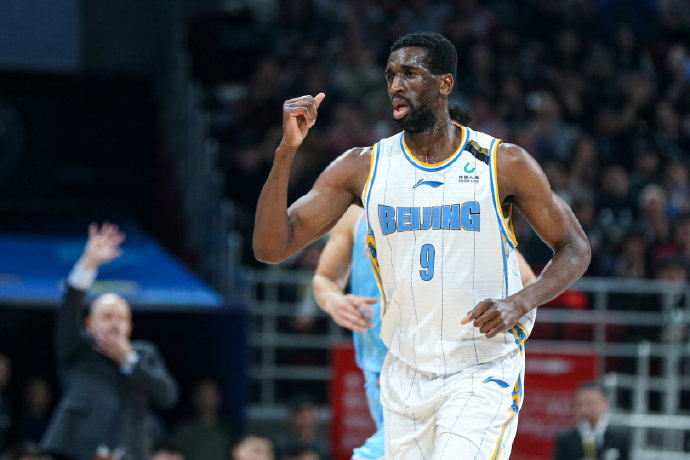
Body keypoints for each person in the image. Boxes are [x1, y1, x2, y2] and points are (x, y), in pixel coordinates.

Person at [253, 32, 590, 458]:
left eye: (410, 74)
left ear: (444, 84)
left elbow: (575, 247)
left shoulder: (501, 162)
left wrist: (519, 302)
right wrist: (287, 151)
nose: (396, 85)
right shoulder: (362, 167)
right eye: (390, 76)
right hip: (405, 374)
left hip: (481, 368)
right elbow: (271, 247)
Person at [313, 205, 537, 460]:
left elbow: (526, 280)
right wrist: (334, 301)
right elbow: (324, 278)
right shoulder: (356, 213)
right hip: (379, 369)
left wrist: (493, 343)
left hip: (443, 370)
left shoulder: (457, 207)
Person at [41, 223, 179, 460]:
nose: (115, 323)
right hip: (77, 453)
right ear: (90, 324)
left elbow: (167, 396)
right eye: (107, 316)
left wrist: (127, 359)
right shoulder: (78, 348)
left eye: (121, 318)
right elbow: (68, 311)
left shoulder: (144, 353)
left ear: (130, 327)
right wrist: (88, 263)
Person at [553, 381, 630, 460]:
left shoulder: (620, 436)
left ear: (605, 403)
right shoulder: (565, 438)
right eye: (580, 403)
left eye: (590, 403)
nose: (584, 410)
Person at [173, 379, 237, 460]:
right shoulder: (183, 431)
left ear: (219, 398)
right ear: (194, 398)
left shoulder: (228, 431)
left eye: (211, 396)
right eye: (202, 396)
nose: (207, 400)